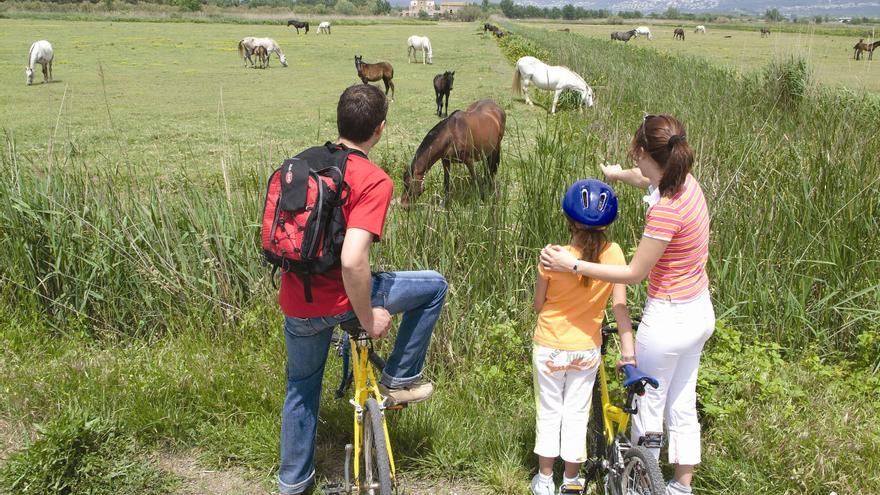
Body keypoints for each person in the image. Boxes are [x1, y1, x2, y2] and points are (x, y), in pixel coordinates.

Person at [277, 84, 448, 495]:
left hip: (297, 301)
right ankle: (398, 379)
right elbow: (353, 260)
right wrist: (368, 318)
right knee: (434, 286)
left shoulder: (301, 163)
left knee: (301, 388)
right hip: (344, 299)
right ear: (380, 129)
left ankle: (293, 483)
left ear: (338, 121)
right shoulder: (372, 179)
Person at [539, 115, 714, 495]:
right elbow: (646, 178)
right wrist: (617, 175)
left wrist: (572, 264)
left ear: (643, 151)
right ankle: (680, 487)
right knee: (682, 402)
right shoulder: (686, 182)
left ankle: (639, 485)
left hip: (669, 319)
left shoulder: (666, 210)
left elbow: (634, 273)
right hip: (700, 311)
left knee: (647, 407)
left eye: (636, 155)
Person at [530, 179, 635, 495]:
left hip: (550, 343)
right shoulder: (615, 254)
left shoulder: (554, 256)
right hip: (586, 348)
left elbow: (538, 305)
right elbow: (619, 304)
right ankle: (572, 480)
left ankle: (544, 479)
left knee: (550, 410)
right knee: (576, 413)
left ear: (569, 220)